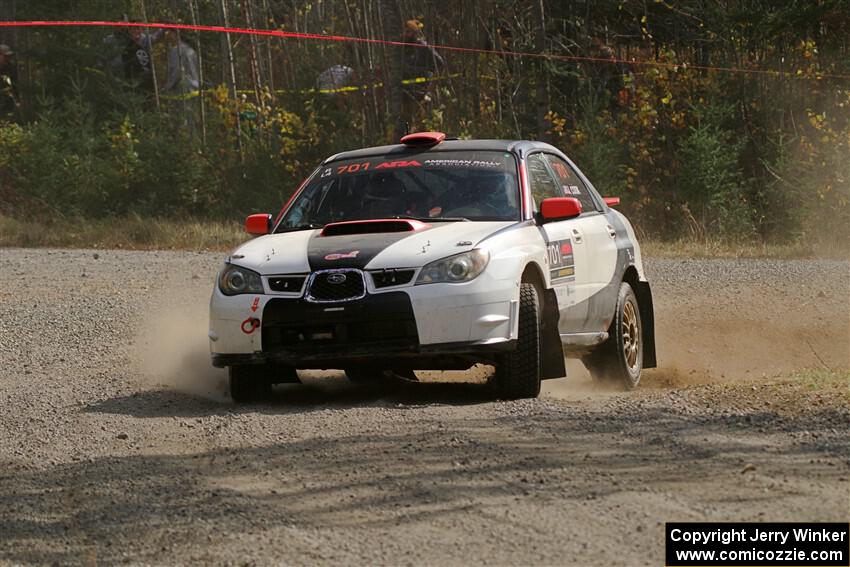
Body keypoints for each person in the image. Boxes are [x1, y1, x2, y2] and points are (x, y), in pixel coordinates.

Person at [400, 20, 444, 124]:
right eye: (405, 32)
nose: (406, 35)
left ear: (415, 33)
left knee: (424, 125)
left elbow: (441, 65)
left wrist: (429, 92)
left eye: (409, 32)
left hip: (423, 95)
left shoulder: (424, 47)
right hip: (407, 95)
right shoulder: (403, 49)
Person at [121, 23, 163, 95]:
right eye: (134, 29)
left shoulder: (145, 40)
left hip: (146, 77)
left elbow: (156, 36)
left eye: (138, 28)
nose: (136, 31)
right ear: (129, 30)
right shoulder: (124, 43)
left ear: (141, 30)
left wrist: (164, 27)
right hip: (131, 78)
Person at [0, 44, 19, 120]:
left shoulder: (10, 67)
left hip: (7, 101)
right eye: (5, 56)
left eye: (9, 56)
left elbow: (15, 84)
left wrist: (17, 99)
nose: (8, 59)